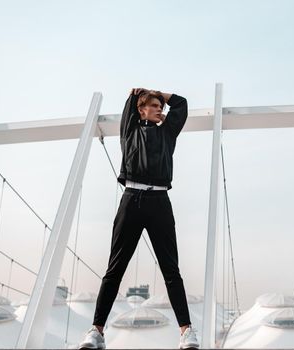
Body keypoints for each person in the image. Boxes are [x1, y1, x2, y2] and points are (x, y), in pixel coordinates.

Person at [78, 88, 199, 349]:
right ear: (141, 110)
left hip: (159, 202)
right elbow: (131, 102)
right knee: (115, 269)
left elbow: (182, 104)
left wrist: (160, 94)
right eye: (154, 106)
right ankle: (96, 331)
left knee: (171, 270)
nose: (160, 109)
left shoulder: (168, 133)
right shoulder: (130, 131)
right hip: (131, 200)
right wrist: (140, 94)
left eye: (161, 107)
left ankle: (186, 332)